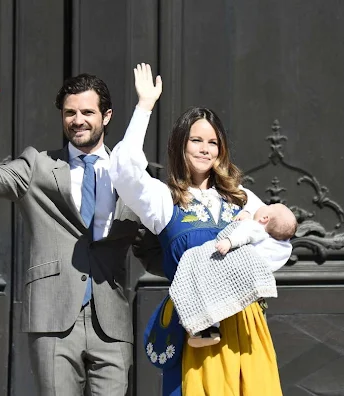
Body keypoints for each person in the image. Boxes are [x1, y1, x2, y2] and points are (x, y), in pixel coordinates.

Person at [0, 64, 161, 396]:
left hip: (112, 321)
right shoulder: (37, 165)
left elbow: (152, 246)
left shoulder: (135, 174)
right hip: (53, 319)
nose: (77, 120)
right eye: (70, 113)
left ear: (106, 116)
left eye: (87, 112)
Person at [110, 63, 296, 395]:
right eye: (196, 139)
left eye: (212, 142)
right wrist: (144, 107)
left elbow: (278, 248)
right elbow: (124, 172)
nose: (204, 148)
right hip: (195, 327)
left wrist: (237, 255)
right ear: (181, 145)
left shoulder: (241, 198)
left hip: (243, 323)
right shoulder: (163, 198)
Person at [171, 203, 297, 348]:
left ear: (264, 218)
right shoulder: (281, 249)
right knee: (218, 297)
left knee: (203, 279)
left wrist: (231, 240)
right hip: (244, 286)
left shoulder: (255, 228)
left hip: (227, 265)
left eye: (269, 205)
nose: (261, 205)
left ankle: (203, 326)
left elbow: (246, 232)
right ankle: (208, 328)